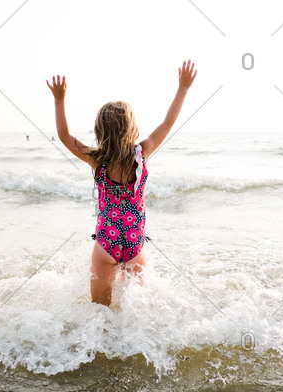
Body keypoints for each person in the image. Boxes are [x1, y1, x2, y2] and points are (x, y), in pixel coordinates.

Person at [46, 60, 197, 306]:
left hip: (107, 242)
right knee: (137, 310)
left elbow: (63, 136)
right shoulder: (142, 153)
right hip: (135, 242)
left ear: (99, 131)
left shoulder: (97, 160)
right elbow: (167, 123)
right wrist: (183, 88)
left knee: (100, 312)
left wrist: (59, 99)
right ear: (133, 128)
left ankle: (101, 343)